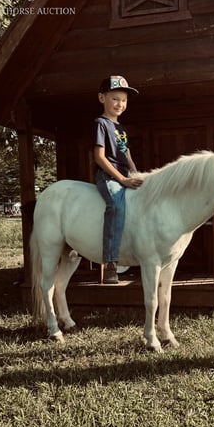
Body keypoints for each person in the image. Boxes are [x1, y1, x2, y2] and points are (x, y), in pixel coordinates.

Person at [93, 75, 143, 284]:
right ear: (102, 97)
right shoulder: (101, 123)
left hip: (125, 174)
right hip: (109, 176)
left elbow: (126, 154)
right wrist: (122, 179)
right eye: (115, 98)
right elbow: (99, 157)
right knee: (116, 206)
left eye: (123, 100)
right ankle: (111, 263)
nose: (120, 104)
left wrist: (136, 174)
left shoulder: (122, 129)